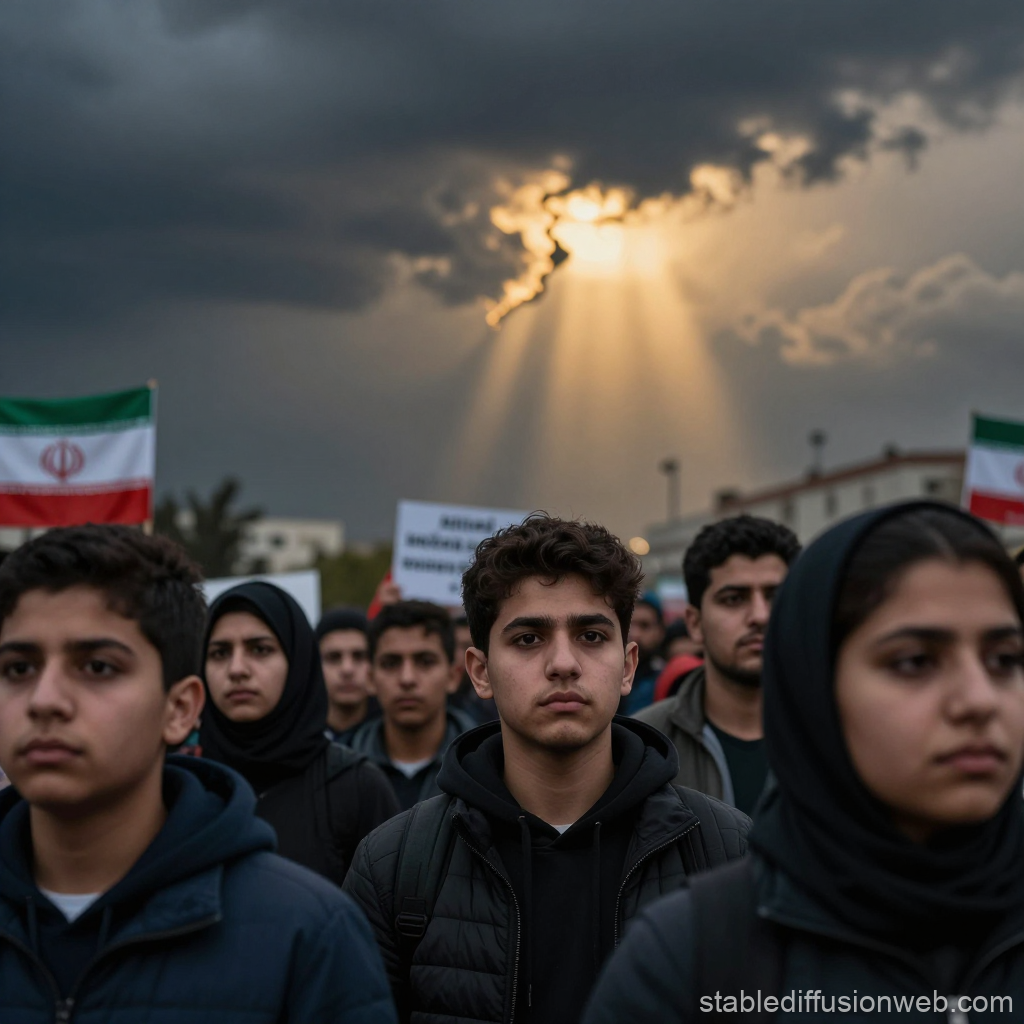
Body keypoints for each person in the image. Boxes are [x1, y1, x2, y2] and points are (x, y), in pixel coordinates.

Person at [584, 502, 1024, 1022]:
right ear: (818, 683)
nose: (978, 700)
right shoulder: (690, 955)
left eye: (1005, 660)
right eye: (914, 662)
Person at [344, 515, 750, 1024]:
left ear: (628, 666)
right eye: (529, 639)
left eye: (591, 635)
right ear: (479, 671)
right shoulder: (392, 865)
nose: (563, 662)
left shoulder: (728, 850)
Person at [0, 525, 396, 1023]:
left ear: (181, 708)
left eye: (98, 666)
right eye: (18, 668)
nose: (44, 701)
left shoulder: (310, 935)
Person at [200, 581, 398, 885]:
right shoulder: (181, 785)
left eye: (260, 649)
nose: (237, 669)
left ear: (297, 662)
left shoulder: (356, 787)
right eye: (219, 653)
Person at [633, 515, 800, 815]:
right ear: (695, 623)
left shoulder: (843, 734)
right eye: (734, 598)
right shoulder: (645, 745)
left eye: (776, 596)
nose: (760, 616)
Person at [348, 601, 477, 811]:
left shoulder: (489, 771)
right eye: (391, 663)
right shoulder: (340, 774)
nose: (407, 678)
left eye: (425, 662)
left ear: (453, 676)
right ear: (370, 679)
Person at [317, 607, 379, 744]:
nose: (347, 669)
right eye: (333, 657)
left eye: (359, 656)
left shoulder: (395, 737)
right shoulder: (295, 738)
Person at [620, 592, 666, 714]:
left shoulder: (666, 679)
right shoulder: (605, 674)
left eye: (644, 625)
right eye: (628, 625)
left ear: (660, 631)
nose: (635, 634)